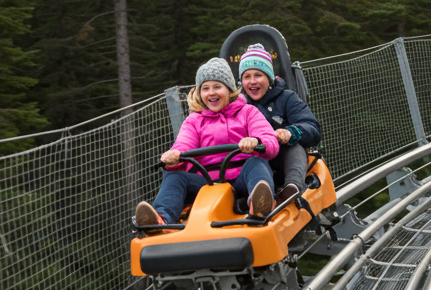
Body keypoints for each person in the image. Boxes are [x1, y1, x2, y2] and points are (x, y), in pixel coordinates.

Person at [134, 57, 279, 228]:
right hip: (206, 183)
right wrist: (174, 157)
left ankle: (260, 205)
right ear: (199, 93)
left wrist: (255, 141)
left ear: (229, 89)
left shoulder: (247, 112)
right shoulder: (194, 120)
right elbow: (184, 144)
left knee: (256, 162)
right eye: (205, 88)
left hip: (240, 179)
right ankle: (161, 219)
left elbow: (269, 139)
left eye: (217, 87)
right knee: (175, 176)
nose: (211, 93)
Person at [237, 43, 322, 203]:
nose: (252, 81)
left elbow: (313, 129)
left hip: (281, 161)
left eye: (258, 75)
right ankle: (251, 198)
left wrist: (290, 133)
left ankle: (293, 187)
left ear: (268, 78)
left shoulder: (287, 98)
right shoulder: (238, 105)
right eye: (247, 77)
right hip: (253, 164)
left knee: (294, 146)